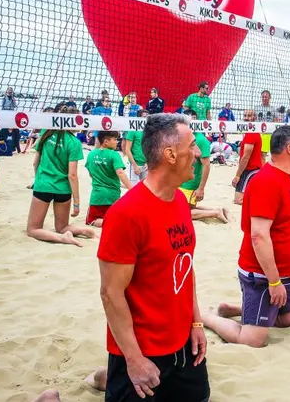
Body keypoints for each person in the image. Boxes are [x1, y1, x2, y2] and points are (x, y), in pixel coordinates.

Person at [97, 113, 209, 401]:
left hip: (184, 344)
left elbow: (185, 268)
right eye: (192, 146)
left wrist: (196, 323)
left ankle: (101, 378)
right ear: (171, 154)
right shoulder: (126, 214)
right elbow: (111, 293)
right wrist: (133, 359)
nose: (197, 154)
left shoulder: (181, 201)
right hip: (143, 349)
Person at [203, 126, 290, 348]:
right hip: (262, 275)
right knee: (253, 340)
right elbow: (259, 236)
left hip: (286, 271)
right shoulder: (267, 181)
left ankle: (235, 309)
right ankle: (208, 317)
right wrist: (273, 281)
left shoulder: (286, 177)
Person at [27, 109, 96, 246]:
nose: (81, 123)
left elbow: (36, 162)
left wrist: (38, 180)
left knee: (33, 229)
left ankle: (62, 238)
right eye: (78, 120)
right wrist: (76, 202)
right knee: (62, 227)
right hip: (63, 189)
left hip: (44, 185)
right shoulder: (74, 143)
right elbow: (72, 175)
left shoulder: (46, 133)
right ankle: (85, 231)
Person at [180, 109, 229, 223]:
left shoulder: (201, 140)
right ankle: (218, 209)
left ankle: (215, 213)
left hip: (190, 183)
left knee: (184, 212)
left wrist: (201, 189)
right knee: (185, 208)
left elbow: (206, 166)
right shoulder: (183, 136)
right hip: (182, 181)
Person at [84, 131, 132, 228]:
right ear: (106, 141)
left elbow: (91, 174)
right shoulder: (114, 155)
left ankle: (111, 223)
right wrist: (131, 189)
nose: (117, 142)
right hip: (113, 196)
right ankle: (113, 223)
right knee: (114, 218)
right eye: (114, 139)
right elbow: (120, 173)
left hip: (98, 196)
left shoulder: (91, 154)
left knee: (91, 220)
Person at [232, 110, 263, 205]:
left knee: (238, 200)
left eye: (249, 116)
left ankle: (262, 202)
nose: (246, 118)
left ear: (254, 118)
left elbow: (246, 157)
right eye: (245, 115)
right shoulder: (249, 132)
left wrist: (237, 175)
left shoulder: (251, 133)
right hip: (252, 169)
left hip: (250, 170)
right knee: (240, 198)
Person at [123, 112, 148, 183]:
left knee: (145, 190)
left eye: (147, 117)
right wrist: (134, 165)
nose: (145, 118)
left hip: (146, 165)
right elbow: (127, 149)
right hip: (135, 164)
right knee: (133, 188)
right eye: (143, 116)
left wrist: (148, 162)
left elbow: (151, 149)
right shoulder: (133, 130)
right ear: (138, 118)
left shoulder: (149, 131)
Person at [256, 90, 276, 163]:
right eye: (263, 97)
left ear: (270, 98)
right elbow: (254, 120)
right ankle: (262, 169)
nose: (264, 98)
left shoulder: (273, 109)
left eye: (266, 97)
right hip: (259, 133)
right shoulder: (257, 108)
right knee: (261, 154)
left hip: (269, 133)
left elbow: (275, 121)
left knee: (270, 153)